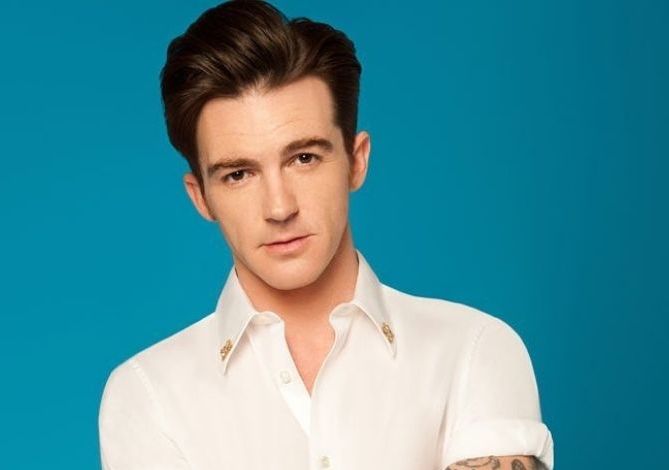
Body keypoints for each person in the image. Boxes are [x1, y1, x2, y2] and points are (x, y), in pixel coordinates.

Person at [97, 1, 555, 469]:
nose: (280, 208)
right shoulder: (147, 396)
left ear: (356, 161)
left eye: (304, 158)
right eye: (238, 174)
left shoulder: (473, 350)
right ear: (201, 197)